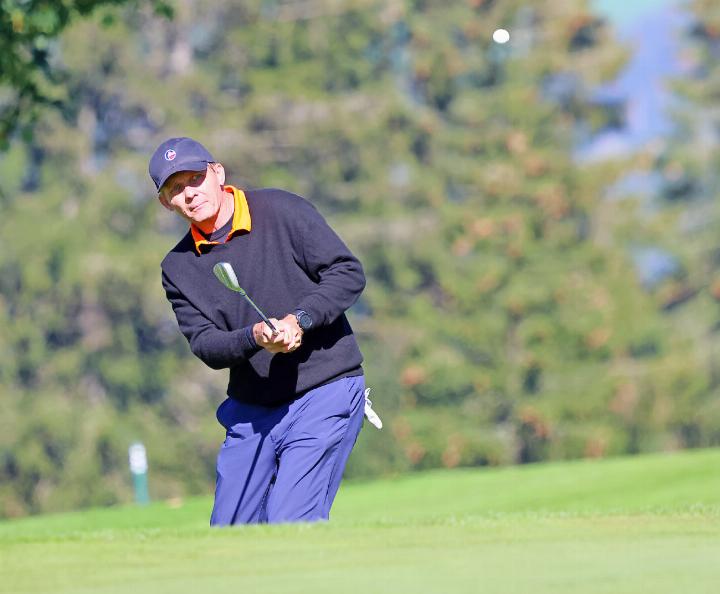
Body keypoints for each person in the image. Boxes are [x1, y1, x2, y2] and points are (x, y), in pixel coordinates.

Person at [149, 136, 370, 525]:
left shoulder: (282, 210)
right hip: (251, 412)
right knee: (229, 536)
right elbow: (206, 344)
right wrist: (255, 336)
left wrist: (299, 319)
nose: (190, 194)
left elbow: (346, 272)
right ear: (166, 202)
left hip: (323, 390)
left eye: (195, 179)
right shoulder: (178, 267)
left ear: (217, 173)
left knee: (290, 522)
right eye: (176, 189)